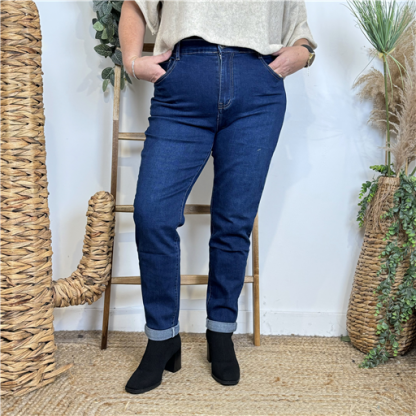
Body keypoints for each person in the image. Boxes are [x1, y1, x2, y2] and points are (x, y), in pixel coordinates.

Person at [119, 0, 317, 394]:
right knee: (152, 214)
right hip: (182, 89)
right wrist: (132, 61)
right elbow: (135, 4)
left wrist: (302, 53)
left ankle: (220, 333)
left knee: (234, 221)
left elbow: (299, 27)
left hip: (258, 93)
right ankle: (162, 338)